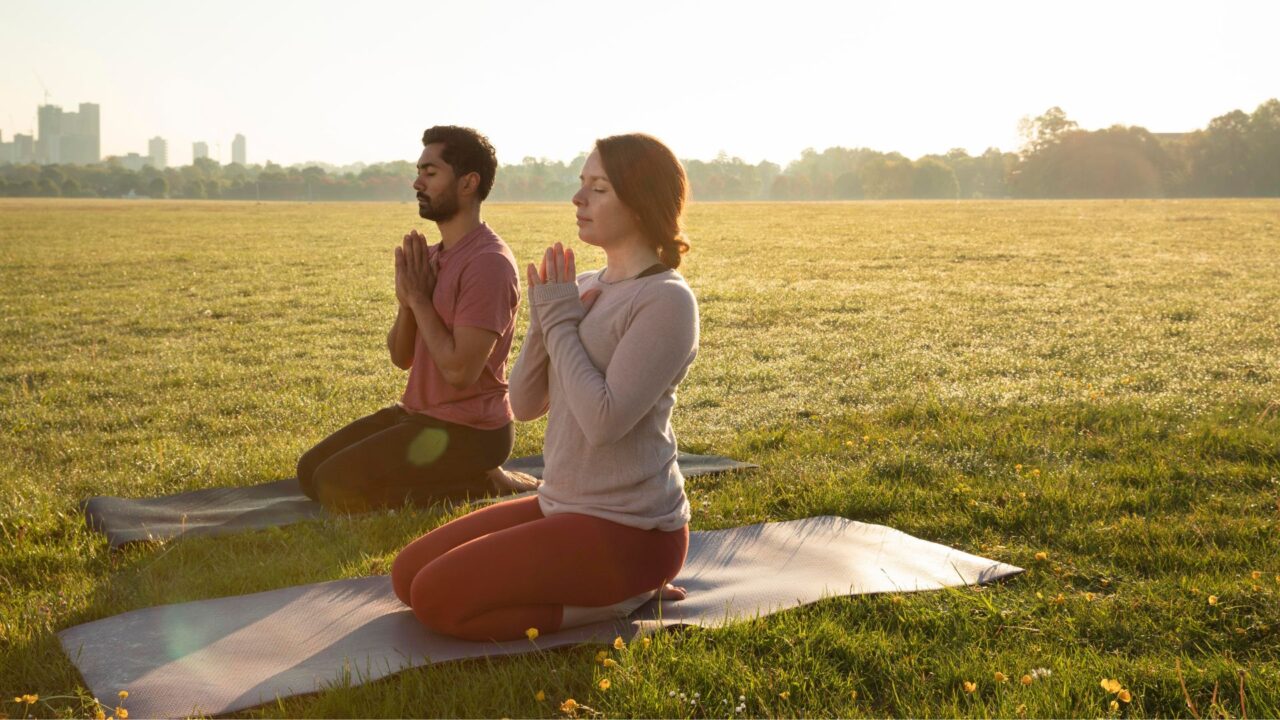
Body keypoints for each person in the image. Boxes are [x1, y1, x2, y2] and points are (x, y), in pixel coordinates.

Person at [390, 133, 698, 642]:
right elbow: (526, 403)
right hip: (563, 504)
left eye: (598, 188)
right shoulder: (583, 285)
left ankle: (621, 601)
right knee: (406, 576)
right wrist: (546, 319)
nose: (578, 199)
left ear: (641, 202)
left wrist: (558, 323)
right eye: (582, 185)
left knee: (437, 600)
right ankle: (600, 589)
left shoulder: (665, 301)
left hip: (632, 531)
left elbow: (603, 422)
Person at [296, 125, 536, 513]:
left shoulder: (488, 264)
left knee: (335, 485)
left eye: (430, 172)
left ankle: (480, 480)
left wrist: (420, 300)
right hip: (421, 416)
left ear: (467, 183)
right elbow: (400, 356)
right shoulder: (433, 256)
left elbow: (461, 372)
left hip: (471, 431)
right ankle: (468, 477)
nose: (417, 183)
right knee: (309, 473)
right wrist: (407, 301)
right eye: (419, 172)